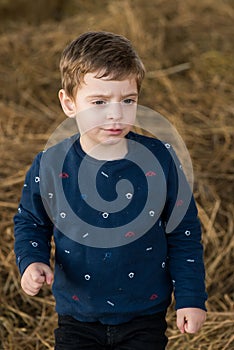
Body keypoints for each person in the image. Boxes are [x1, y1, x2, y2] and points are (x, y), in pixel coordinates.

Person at [14, 31, 207, 350]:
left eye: (127, 100)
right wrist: (32, 260)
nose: (115, 113)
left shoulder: (159, 159)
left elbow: (183, 232)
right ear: (69, 103)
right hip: (77, 314)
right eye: (99, 102)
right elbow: (31, 221)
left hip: (144, 313)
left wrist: (191, 298)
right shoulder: (50, 163)